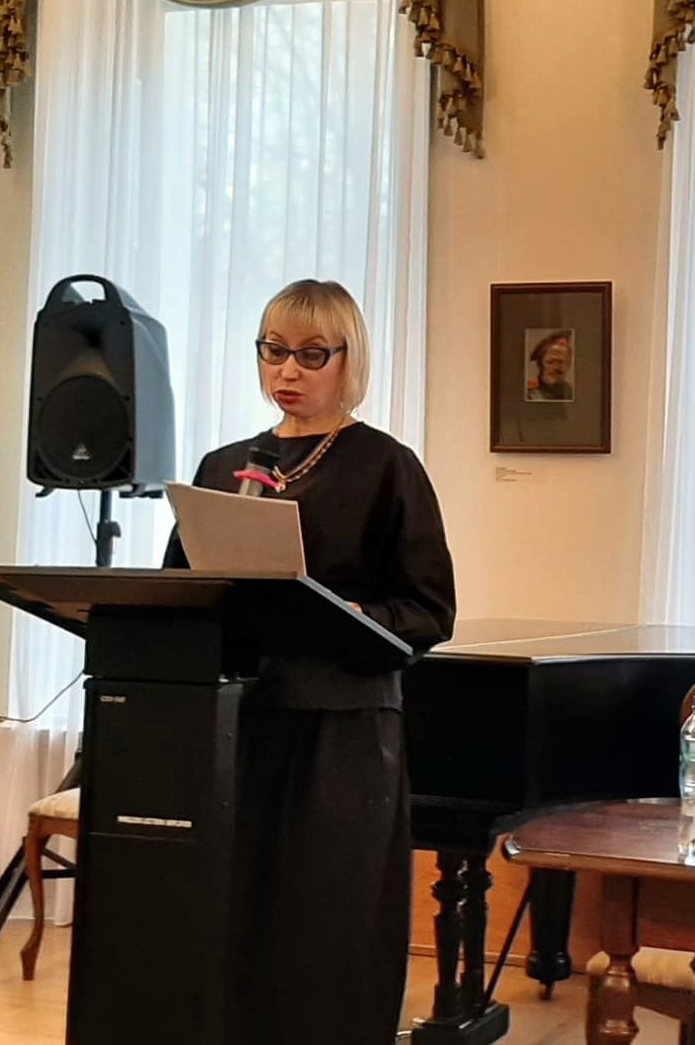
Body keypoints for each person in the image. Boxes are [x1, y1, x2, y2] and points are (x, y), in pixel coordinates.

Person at [163, 278, 455, 1043]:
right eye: (274, 350)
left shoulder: (387, 466)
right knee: (236, 917)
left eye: (311, 354)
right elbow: (178, 591)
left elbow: (430, 610)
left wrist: (356, 617)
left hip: (343, 727)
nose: (287, 370)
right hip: (240, 723)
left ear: (348, 360)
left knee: (327, 926)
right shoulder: (223, 465)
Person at [526, 330, 574, 401]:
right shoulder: (530, 395)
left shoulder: (572, 393)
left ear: (568, 364)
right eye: (550, 362)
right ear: (541, 364)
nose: (555, 367)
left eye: (561, 362)